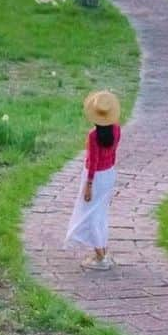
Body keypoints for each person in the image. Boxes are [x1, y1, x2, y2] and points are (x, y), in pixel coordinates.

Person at [65, 89, 121, 270]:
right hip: (109, 173)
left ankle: (100, 257)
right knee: (101, 212)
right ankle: (103, 251)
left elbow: (93, 162)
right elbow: (112, 155)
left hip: (95, 177)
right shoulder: (116, 129)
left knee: (90, 214)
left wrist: (88, 185)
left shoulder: (93, 136)